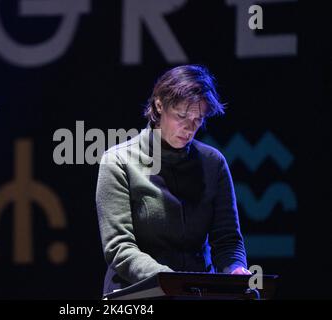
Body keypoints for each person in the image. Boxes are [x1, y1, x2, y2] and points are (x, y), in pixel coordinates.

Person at [96, 64, 250, 295]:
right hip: (137, 293)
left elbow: (227, 239)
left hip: (196, 292)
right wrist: (171, 281)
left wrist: (235, 269)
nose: (189, 128)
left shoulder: (213, 163)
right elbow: (120, 248)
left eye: (198, 119)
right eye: (181, 116)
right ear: (159, 105)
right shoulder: (118, 161)